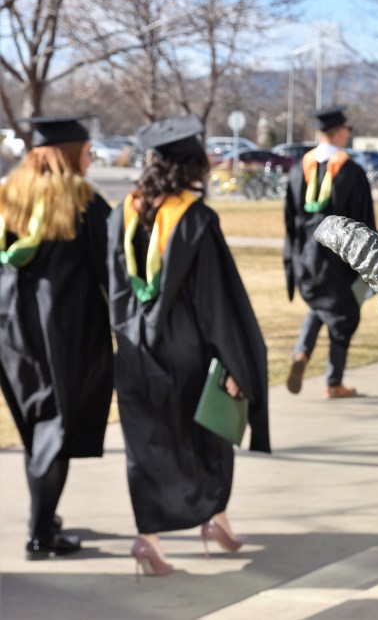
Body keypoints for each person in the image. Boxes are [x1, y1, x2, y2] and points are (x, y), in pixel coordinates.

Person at [108, 115, 269, 577]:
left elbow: (115, 285)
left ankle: (151, 540)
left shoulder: (123, 212)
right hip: (188, 354)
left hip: (136, 350)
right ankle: (213, 519)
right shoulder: (196, 219)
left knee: (148, 447)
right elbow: (216, 302)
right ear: (193, 164)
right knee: (210, 437)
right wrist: (236, 361)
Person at [0, 115, 113, 560]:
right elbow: (109, 270)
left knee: (35, 425)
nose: (90, 158)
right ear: (70, 153)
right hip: (63, 333)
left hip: (10, 328)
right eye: (87, 151)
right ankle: (40, 533)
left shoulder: (9, 193)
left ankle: (44, 513)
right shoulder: (82, 200)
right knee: (55, 429)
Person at [284, 106, 376, 398]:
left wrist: (293, 259)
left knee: (319, 307)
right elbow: (363, 222)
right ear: (338, 132)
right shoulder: (351, 171)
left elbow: (289, 220)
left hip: (307, 257)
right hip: (339, 259)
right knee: (344, 316)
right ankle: (333, 382)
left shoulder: (300, 168)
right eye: (347, 129)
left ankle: (302, 352)